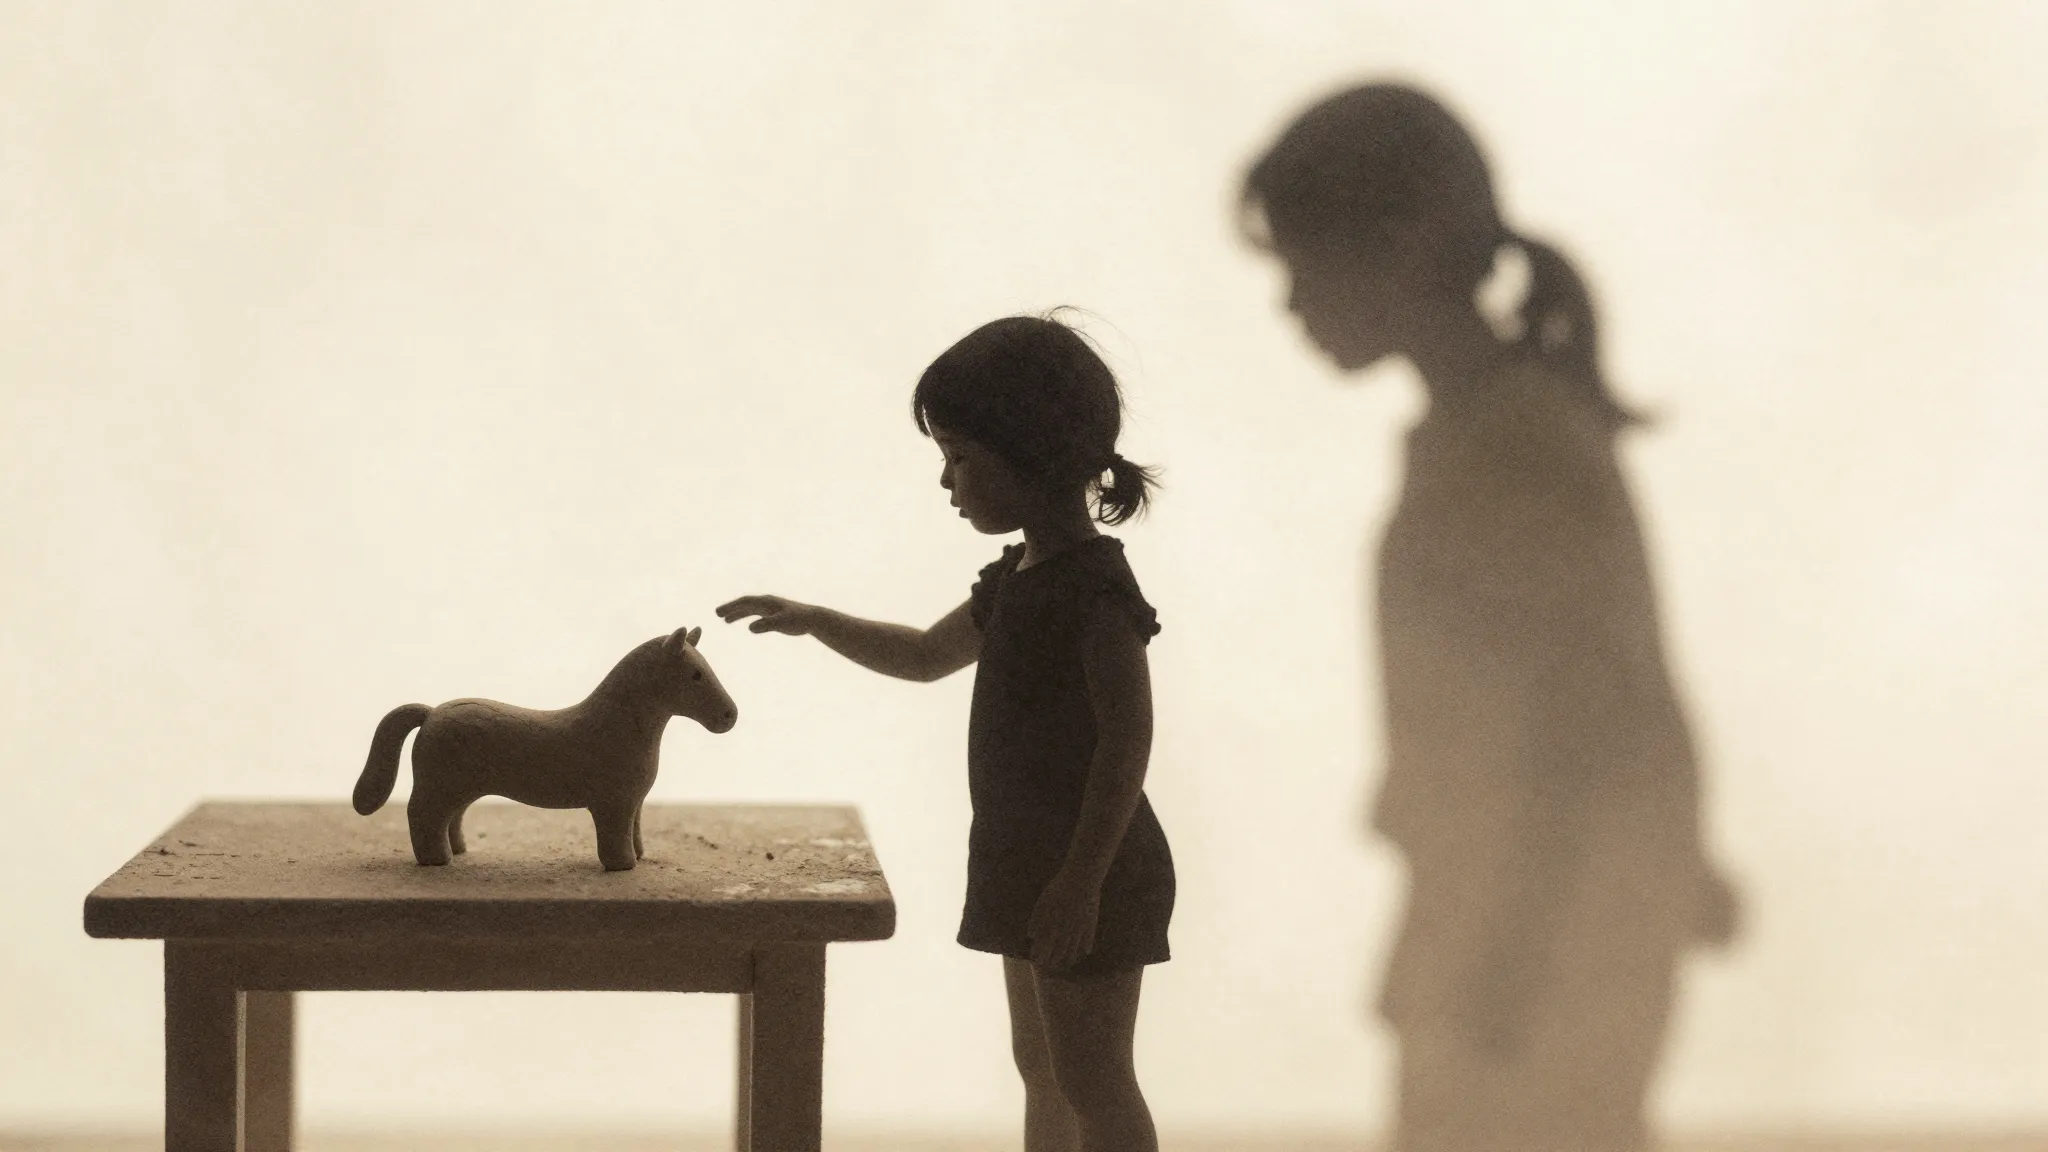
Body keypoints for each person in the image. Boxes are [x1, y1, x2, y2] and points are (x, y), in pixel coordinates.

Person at [1238, 83, 1738, 1152]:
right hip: (1517, 916)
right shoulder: (1494, 429)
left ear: (1396, 245)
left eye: (1302, 262)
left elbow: (1587, 709)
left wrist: (1501, 958)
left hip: (1538, 933)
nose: (1288, 305)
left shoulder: (1512, 441)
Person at [718, 312, 1171, 1152]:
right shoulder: (1015, 581)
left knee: (1094, 1076)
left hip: (1090, 866)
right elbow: (926, 655)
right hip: (1030, 858)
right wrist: (818, 619)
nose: (946, 481)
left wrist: (1082, 881)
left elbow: (1126, 742)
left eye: (960, 457)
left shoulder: (1094, 592)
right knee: (1043, 1067)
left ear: (1034, 451)